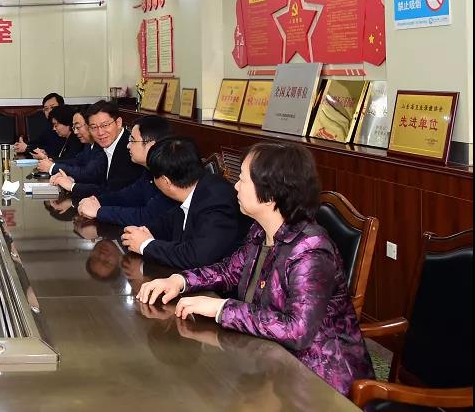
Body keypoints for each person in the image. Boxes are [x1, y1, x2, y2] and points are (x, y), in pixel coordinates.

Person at [136, 142, 373, 395]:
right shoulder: (262, 231)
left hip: (319, 380)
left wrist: (221, 308)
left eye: (242, 180)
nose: (235, 187)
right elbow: (229, 271)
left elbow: (297, 330)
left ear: (269, 194)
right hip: (269, 360)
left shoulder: (311, 250)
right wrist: (179, 281)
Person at [119, 137, 249, 269]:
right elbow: (167, 223)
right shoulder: (194, 188)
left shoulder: (218, 203)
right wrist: (142, 233)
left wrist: (146, 245)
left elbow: (196, 256)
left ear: (166, 181)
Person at [77, 115, 177, 225]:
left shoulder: (171, 175)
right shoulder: (149, 172)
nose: (128, 146)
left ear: (151, 145)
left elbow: (145, 217)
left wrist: (99, 212)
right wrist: (96, 200)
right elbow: (125, 196)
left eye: (132, 141)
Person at [48, 100, 142, 198]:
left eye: (105, 125)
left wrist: (72, 186)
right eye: (93, 127)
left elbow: (113, 192)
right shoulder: (107, 145)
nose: (100, 133)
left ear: (118, 122)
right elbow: (99, 182)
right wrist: (72, 180)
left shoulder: (129, 148)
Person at [36, 105, 95, 173]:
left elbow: (85, 171)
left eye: (56, 125)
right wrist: (52, 161)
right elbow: (76, 161)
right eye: (74, 128)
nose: (75, 132)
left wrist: (52, 167)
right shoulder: (88, 145)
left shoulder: (78, 141)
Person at [14, 93, 66, 158]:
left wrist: (27, 148)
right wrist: (22, 144)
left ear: (62, 107)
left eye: (52, 107)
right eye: (46, 109)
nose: (49, 111)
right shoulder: (48, 125)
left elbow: (55, 150)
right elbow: (38, 142)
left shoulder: (66, 125)